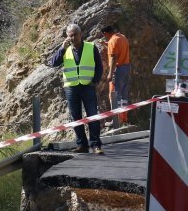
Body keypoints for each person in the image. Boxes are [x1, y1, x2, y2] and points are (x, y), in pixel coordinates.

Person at [48, 23, 104, 154]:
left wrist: (94, 81)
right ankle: (82, 145)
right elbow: (53, 63)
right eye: (70, 35)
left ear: (80, 34)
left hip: (87, 86)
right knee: (76, 117)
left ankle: (96, 145)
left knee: (92, 115)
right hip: (71, 88)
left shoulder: (91, 47)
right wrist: (62, 48)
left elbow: (99, 66)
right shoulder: (65, 49)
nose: (73, 38)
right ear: (67, 37)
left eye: (75, 35)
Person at [101, 25, 131, 126]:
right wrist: (105, 44)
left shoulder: (112, 41)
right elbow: (116, 48)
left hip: (118, 70)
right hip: (126, 68)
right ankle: (124, 118)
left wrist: (110, 74)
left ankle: (116, 120)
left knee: (114, 95)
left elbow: (113, 57)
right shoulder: (122, 37)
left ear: (106, 33)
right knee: (124, 95)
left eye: (104, 36)